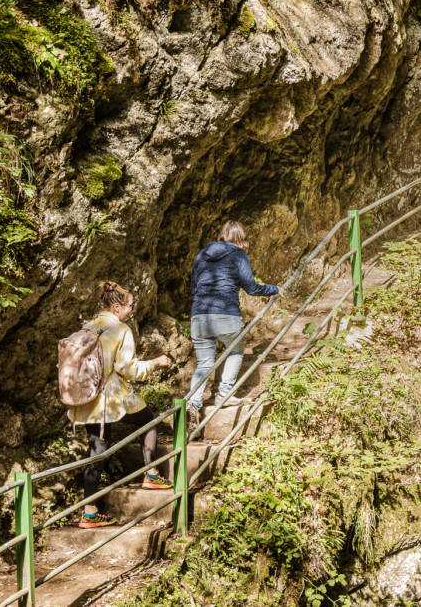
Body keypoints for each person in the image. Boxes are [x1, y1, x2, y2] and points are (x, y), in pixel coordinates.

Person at [69, 281, 174, 529]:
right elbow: (128, 369)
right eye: (130, 306)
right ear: (116, 307)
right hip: (108, 399)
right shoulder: (120, 329)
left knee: (96, 453)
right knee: (149, 420)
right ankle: (151, 475)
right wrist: (156, 362)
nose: (132, 310)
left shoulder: (87, 327)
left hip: (85, 399)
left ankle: (90, 512)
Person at [187, 220, 279, 429]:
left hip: (199, 315)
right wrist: (273, 289)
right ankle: (224, 394)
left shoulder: (201, 255)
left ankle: (193, 402)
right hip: (226, 314)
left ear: (221, 235)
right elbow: (251, 287)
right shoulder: (238, 255)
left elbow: (194, 287)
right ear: (241, 238)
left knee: (204, 363)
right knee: (236, 351)